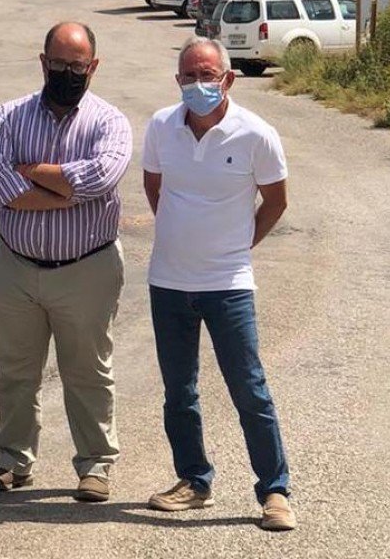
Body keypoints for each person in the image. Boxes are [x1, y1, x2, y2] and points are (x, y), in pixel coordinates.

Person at [142, 36, 295, 532]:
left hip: (228, 283)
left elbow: (275, 201)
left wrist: (237, 244)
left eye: (208, 75)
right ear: (178, 80)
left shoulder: (257, 134)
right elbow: (154, 185)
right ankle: (194, 480)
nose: (198, 84)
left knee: (249, 388)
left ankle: (274, 491)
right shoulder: (162, 126)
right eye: (189, 75)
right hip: (168, 281)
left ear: (228, 78)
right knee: (178, 391)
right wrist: (179, 235)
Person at [0, 21, 131, 502]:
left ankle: (95, 464)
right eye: (59, 63)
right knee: (15, 370)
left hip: (87, 267)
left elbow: (102, 177)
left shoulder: (109, 122)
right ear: (43, 62)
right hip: (15, 266)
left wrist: (31, 176)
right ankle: (13, 459)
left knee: (88, 370)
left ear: (93, 67)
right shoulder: (8, 116)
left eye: (77, 65)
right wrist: (68, 192)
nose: (67, 72)